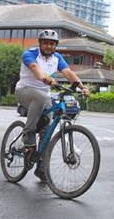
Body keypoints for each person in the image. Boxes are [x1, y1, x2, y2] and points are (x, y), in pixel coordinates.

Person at [15, 29, 89, 182]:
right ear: (40, 43)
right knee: (42, 97)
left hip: (44, 97)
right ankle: (27, 133)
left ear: (55, 46)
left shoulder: (57, 58)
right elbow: (35, 69)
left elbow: (68, 72)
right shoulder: (30, 54)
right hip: (25, 91)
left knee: (47, 130)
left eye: (52, 44)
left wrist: (82, 87)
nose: (49, 46)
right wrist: (45, 78)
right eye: (46, 43)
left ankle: (41, 168)